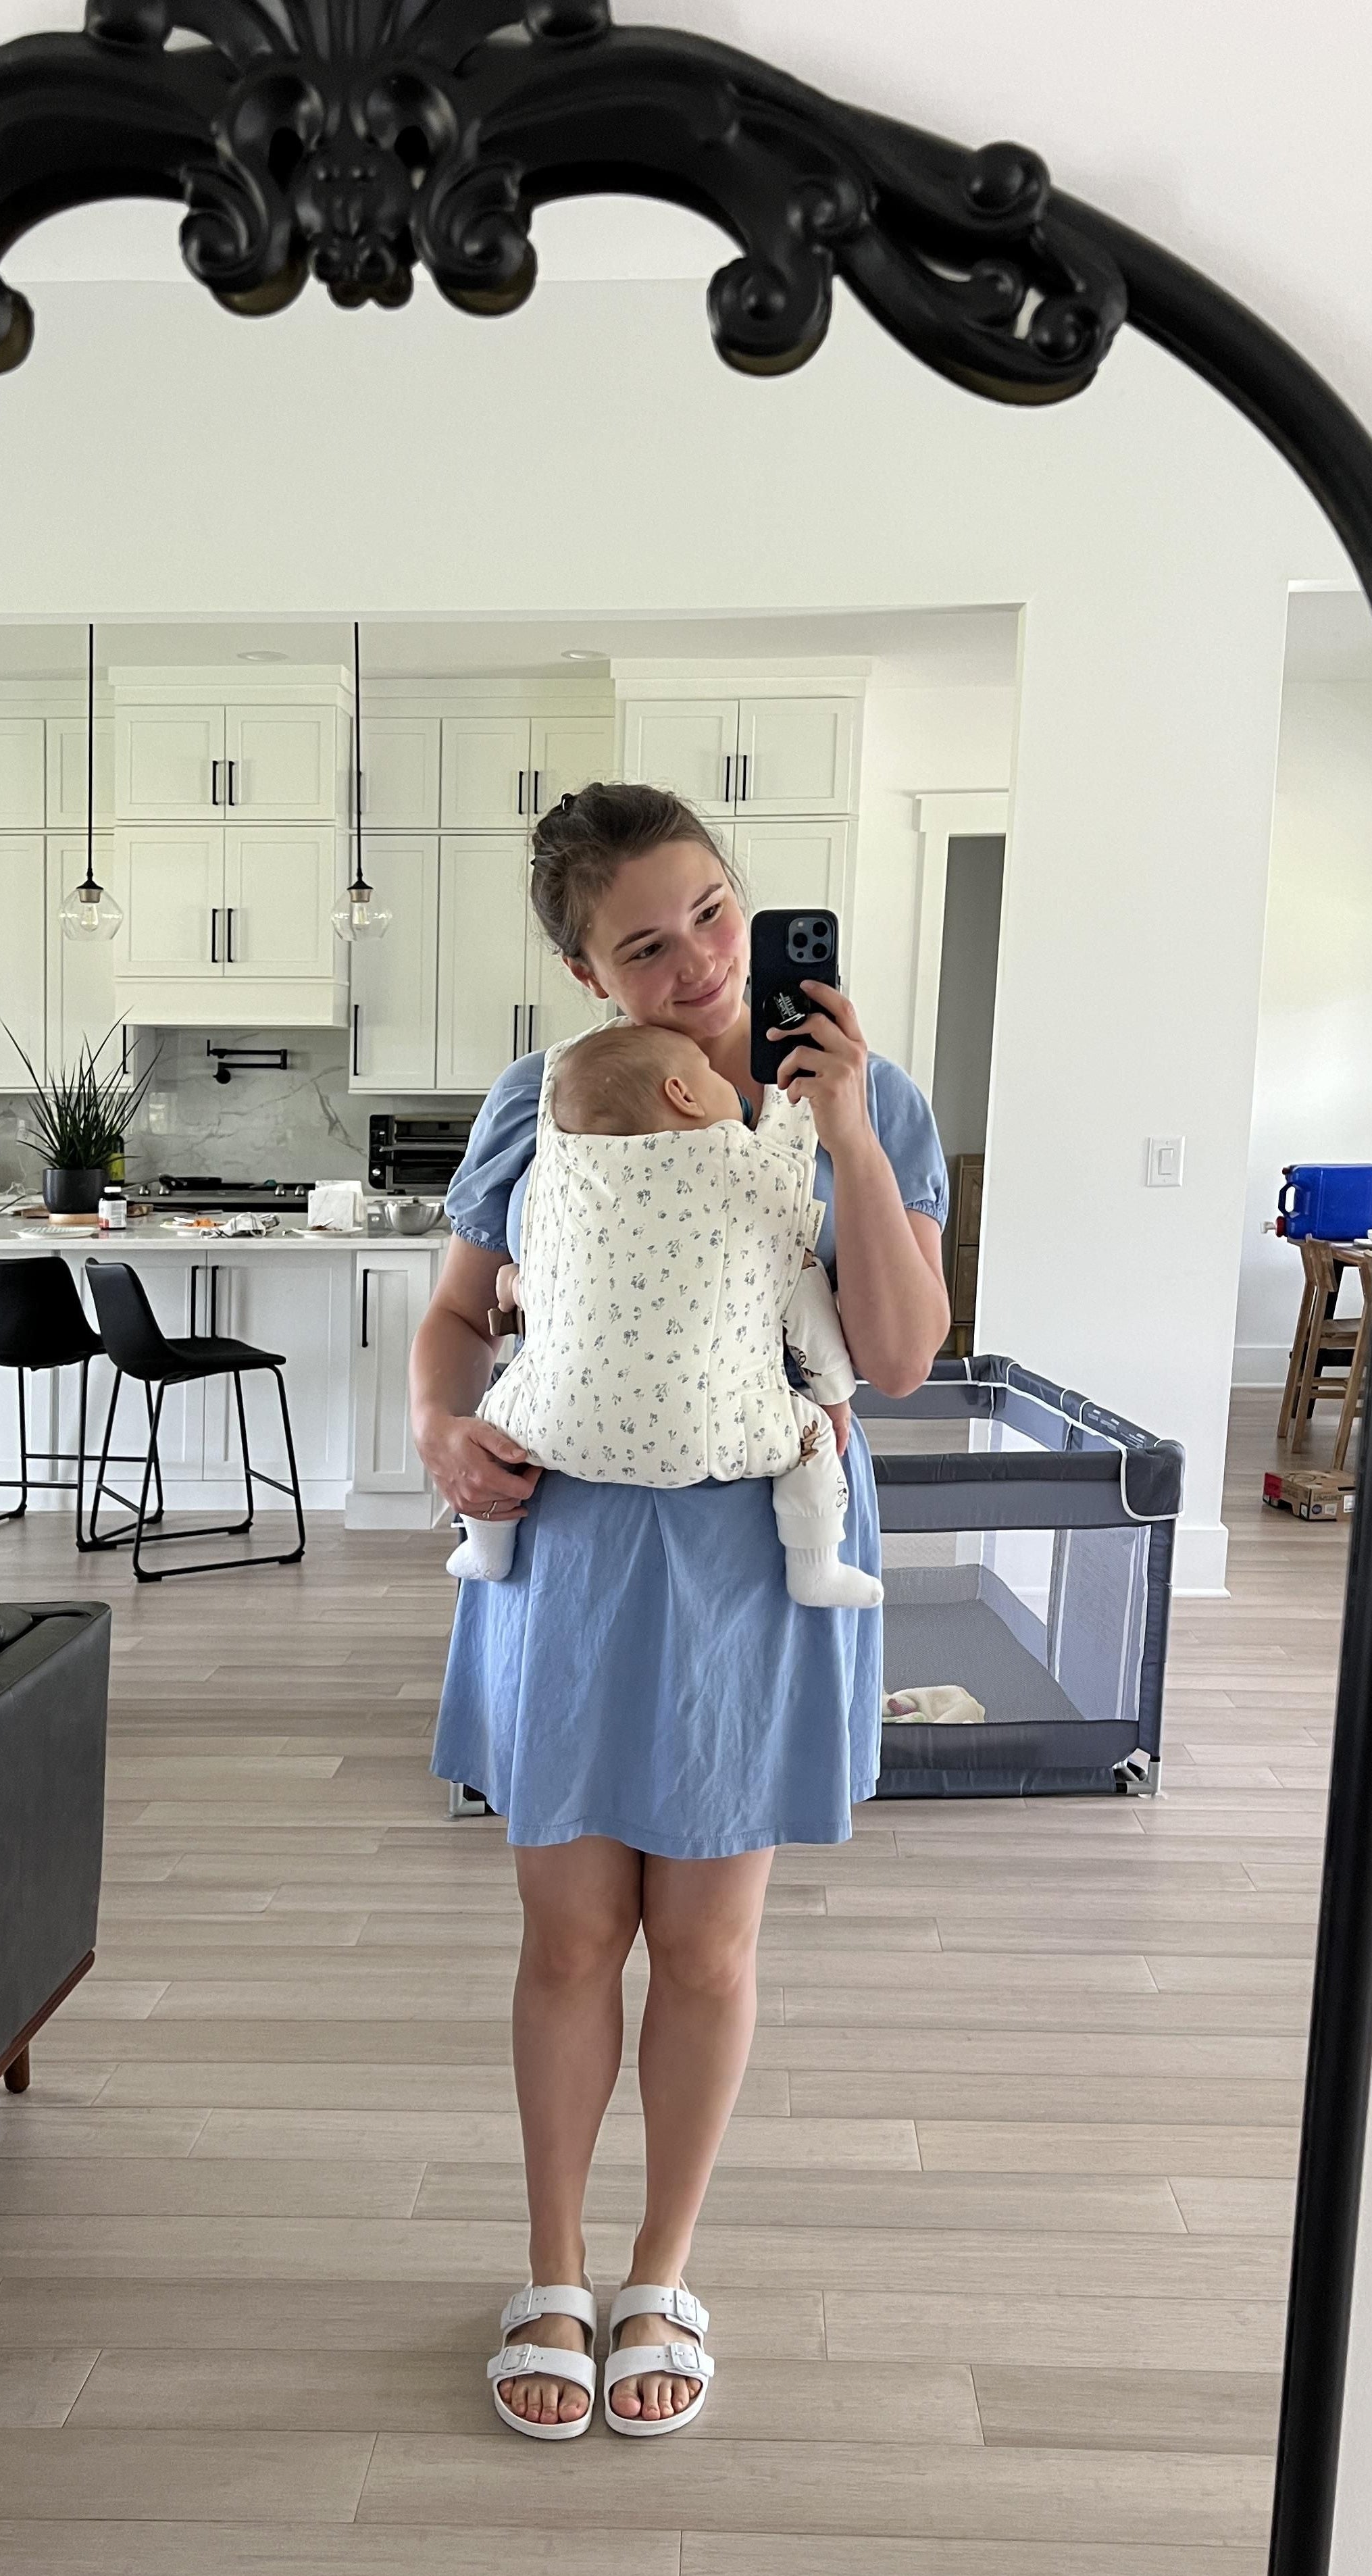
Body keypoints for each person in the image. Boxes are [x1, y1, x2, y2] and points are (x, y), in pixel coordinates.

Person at [409, 782, 952, 2442]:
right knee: (570, 1939)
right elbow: (453, 1321)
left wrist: (848, 1130)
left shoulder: (875, 1097)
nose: (702, 962)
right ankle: (556, 2270)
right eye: (644, 946)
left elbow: (906, 1353)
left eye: (714, 913)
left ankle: (664, 2270)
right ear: (588, 974)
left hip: (758, 1555)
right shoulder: (539, 1103)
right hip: (572, 1550)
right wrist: (441, 1433)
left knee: (708, 1951)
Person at [446, 1021, 882, 1611]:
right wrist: (832, 1399)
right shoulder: (757, 1178)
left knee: (498, 1419)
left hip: (550, 1435)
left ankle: (486, 1552)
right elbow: (805, 1314)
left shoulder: (572, 1190)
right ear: (684, 1094)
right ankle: (816, 1570)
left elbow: (527, 1284)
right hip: (715, 1436)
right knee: (809, 1444)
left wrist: (516, 1288)